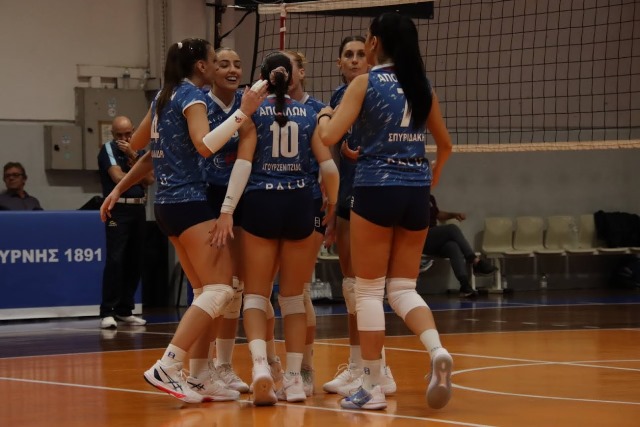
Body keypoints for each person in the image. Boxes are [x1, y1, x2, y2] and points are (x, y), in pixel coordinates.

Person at [100, 37, 266, 403]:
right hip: (189, 202)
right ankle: (168, 365)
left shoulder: (164, 96)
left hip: (165, 206)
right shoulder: (192, 97)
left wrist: (119, 188)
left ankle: (200, 376)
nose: (220, 66)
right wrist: (243, 114)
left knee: (206, 294)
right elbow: (205, 145)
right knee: (221, 291)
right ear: (202, 66)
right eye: (214, 60)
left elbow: (139, 144)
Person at [317, 12, 454, 411]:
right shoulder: (421, 85)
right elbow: (445, 145)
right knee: (404, 289)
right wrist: (433, 176)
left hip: (376, 187)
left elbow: (329, 135)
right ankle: (437, 350)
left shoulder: (365, 82)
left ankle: (372, 386)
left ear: (375, 43)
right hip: (416, 190)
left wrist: (325, 113)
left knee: (369, 289)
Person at [208, 51, 339, 406]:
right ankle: (294, 380)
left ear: (263, 80)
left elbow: (243, 164)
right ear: (291, 78)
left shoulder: (253, 112)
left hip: (261, 204)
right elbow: (328, 168)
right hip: (300, 205)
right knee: (293, 297)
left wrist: (227, 210)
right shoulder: (310, 113)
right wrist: (332, 203)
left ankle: (260, 366)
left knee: (255, 295)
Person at [320, 36, 397, 398]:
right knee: (351, 287)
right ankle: (357, 366)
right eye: (347, 55)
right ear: (339, 63)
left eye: (360, 54)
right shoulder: (340, 96)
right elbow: (334, 155)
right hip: (347, 196)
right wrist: (331, 204)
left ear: (370, 59)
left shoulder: (383, 92)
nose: (354, 60)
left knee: (370, 288)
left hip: (376, 193)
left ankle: (379, 367)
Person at [200, 47, 250, 393]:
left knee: (236, 287)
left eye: (236, 64)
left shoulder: (248, 102)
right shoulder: (200, 105)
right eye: (224, 64)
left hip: (241, 196)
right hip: (207, 196)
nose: (232, 70)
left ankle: (225, 366)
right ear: (210, 70)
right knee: (211, 287)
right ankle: (201, 367)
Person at [283, 49, 331, 397]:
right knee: (261, 290)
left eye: (289, 67)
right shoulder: (263, 107)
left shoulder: (318, 110)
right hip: (267, 204)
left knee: (297, 288)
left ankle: (305, 366)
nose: (283, 73)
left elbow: (330, 159)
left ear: (301, 72)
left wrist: (330, 195)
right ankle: (272, 365)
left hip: (309, 201)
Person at [97, 116, 154, 329]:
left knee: (135, 259)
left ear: (134, 131)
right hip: (118, 209)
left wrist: (133, 156)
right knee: (115, 259)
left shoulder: (138, 151)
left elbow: (150, 179)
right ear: (113, 135)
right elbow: (118, 178)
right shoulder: (108, 149)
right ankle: (107, 311)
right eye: (119, 135)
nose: (124, 138)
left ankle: (125, 309)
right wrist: (136, 171)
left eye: (128, 134)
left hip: (138, 208)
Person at [422, 194, 497, 298]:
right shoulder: (412, 196)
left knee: (452, 246)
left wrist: (453, 215)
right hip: (420, 238)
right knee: (452, 228)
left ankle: (464, 285)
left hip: (432, 240)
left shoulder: (429, 197)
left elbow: (437, 214)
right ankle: (474, 260)